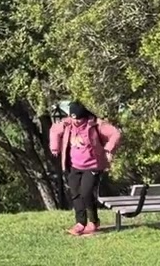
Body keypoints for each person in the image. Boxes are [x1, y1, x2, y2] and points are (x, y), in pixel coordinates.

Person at [49, 101, 121, 235]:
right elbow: (54, 130)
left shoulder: (96, 124)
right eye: (73, 118)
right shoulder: (67, 123)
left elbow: (115, 134)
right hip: (73, 165)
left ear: (84, 116)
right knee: (76, 194)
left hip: (92, 165)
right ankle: (80, 223)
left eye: (78, 119)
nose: (76, 122)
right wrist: (55, 147)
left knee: (86, 192)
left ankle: (93, 221)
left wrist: (109, 149)